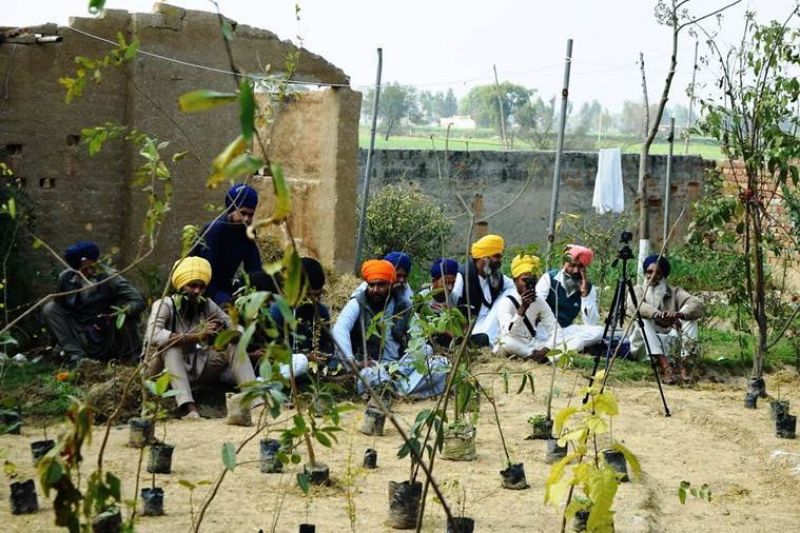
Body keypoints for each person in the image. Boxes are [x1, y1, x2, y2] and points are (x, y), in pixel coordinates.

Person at [143, 256, 259, 419]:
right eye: (192, 286)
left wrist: (225, 334)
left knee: (234, 345)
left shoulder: (206, 304)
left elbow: (236, 327)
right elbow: (153, 336)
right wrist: (196, 336)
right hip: (161, 371)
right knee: (171, 347)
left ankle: (256, 401)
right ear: (180, 285)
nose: (197, 291)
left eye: (201, 287)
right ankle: (188, 409)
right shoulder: (164, 305)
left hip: (194, 366)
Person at [333, 259, 447, 398]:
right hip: (373, 366)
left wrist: (408, 359)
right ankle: (400, 389)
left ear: (390, 284)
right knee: (369, 375)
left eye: (381, 285)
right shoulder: (358, 303)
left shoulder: (403, 306)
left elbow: (418, 336)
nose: (375, 290)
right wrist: (352, 362)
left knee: (437, 362)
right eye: (371, 285)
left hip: (400, 367)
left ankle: (394, 390)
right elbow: (340, 329)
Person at [42, 240, 145, 365]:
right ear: (75, 269)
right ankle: (78, 358)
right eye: (85, 269)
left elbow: (138, 301)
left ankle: (129, 358)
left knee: (125, 312)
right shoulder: (65, 279)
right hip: (81, 332)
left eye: (93, 266)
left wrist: (116, 314)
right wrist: (53, 345)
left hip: (107, 333)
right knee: (50, 308)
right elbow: (60, 310)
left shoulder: (111, 277)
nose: (91, 271)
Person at [628, 254, 705, 384]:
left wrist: (678, 315)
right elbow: (635, 306)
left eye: (657, 273)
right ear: (645, 273)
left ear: (663, 276)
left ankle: (685, 365)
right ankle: (664, 366)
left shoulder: (674, 292)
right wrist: (659, 315)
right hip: (644, 347)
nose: (652, 276)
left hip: (670, 346)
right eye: (649, 272)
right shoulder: (637, 289)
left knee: (690, 320)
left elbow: (697, 304)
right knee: (644, 320)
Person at [190, 183, 262, 308]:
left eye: (250, 215)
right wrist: (221, 297)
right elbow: (204, 273)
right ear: (231, 210)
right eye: (242, 213)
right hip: (200, 288)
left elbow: (254, 268)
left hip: (226, 287)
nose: (246, 219)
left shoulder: (247, 232)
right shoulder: (215, 230)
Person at [267, 257, 334, 379]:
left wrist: (324, 357)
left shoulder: (321, 312)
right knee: (301, 362)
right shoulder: (278, 311)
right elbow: (273, 354)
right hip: (284, 366)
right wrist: (306, 357)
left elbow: (326, 346)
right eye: (309, 295)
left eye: (318, 295)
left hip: (309, 368)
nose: (315, 300)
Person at [535, 244, 604, 352]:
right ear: (564, 264)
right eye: (572, 265)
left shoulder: (588, 288)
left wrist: (584, 295)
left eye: (580, 266)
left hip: (566, 330)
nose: (576, 271)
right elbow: (536, 307)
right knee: (577, 343)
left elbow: (591, 323)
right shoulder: (549, 278)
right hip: (544, 330)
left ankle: (553, 348)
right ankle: (558, 348)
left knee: (600, 331)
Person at [454, 234, 514, 347]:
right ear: (483, 259)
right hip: (469, 330)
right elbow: (450, 307)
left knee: (511, 293)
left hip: (491, 326)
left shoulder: (494, 276)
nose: (500, 261)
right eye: (496, 256)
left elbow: (514, 288)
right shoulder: (462, 277)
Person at [494, 254, 555, 362]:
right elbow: (509, 332)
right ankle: (532, 355)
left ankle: (534, 355)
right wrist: (523, 307)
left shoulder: (539, 302)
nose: (529, 285)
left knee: (565, 342)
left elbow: (555, 329)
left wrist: (546, 349)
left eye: (533, 280)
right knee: (506, 341)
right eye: (525, 280)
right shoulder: (506, 302)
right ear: (515, 280)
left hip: (530, 343)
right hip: (511, 344)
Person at [416, 258, 461, 349]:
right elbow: (422, 326)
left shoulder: (454, 298)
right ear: (434, 281)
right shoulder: (422, 298)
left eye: (453, 283)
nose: (450, 288)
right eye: (445, 283)